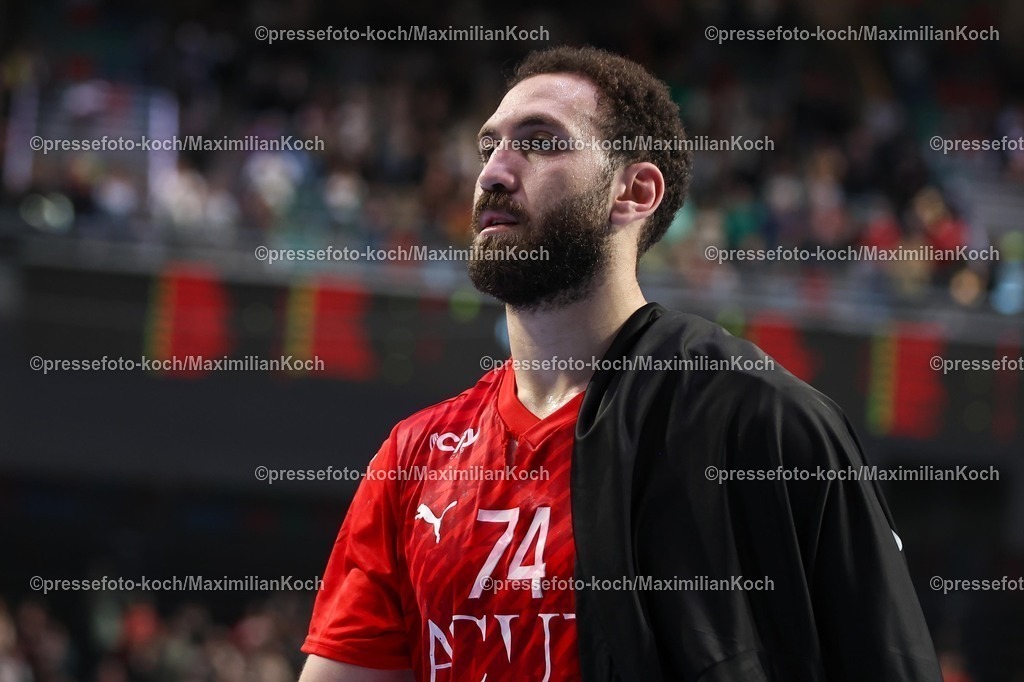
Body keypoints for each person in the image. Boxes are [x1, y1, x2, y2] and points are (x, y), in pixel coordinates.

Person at [299, 46, 941, 681]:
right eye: (488, 147)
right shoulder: (414, 458)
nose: (493, 172)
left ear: (633, 191)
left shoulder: (758, 423)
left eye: (540, 142)